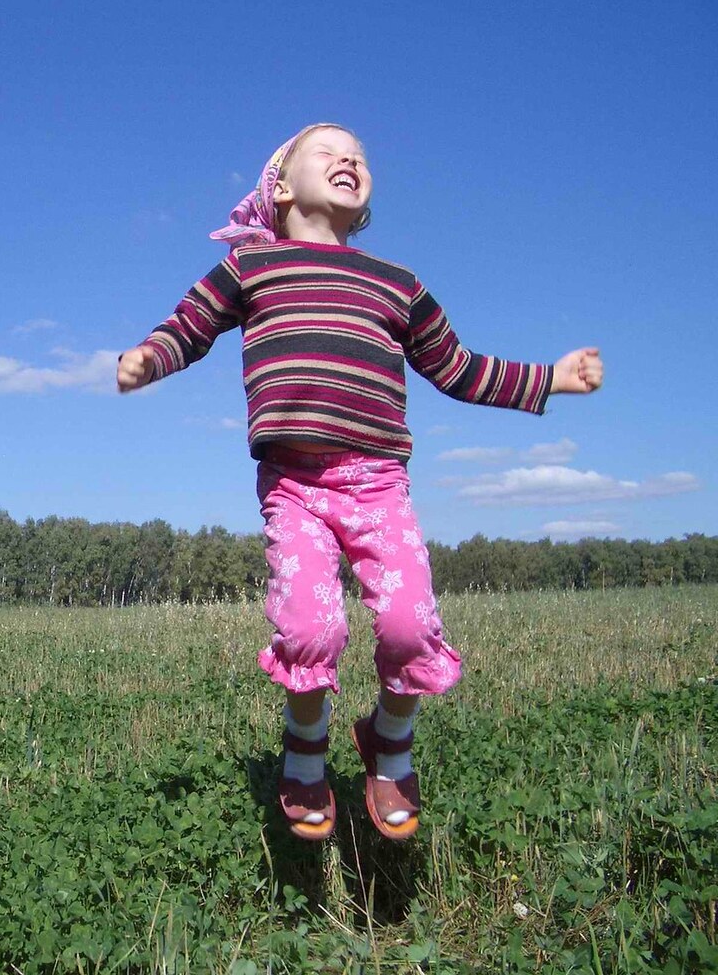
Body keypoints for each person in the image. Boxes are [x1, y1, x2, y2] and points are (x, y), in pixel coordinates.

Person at [116, 124, 603, 842]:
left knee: (410, 626)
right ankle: (305, 748)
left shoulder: (396, 283)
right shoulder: (251, 267)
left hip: (378, 484)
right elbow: (189, 325)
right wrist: (149, 358)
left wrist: (550, 379)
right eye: (327, 151)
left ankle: (388, 738)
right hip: (295, 484)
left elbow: (458, 368)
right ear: (281, 188)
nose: (348, 158)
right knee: (310, 627)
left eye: (359, 156)